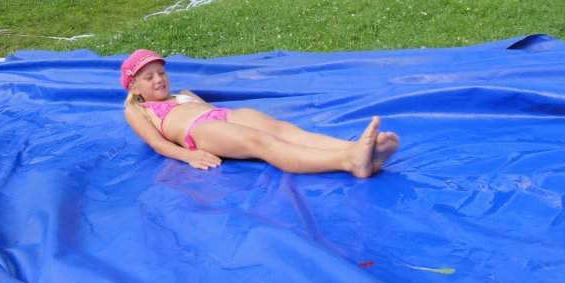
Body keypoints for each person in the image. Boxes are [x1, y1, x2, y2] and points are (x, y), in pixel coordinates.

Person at [121, 49, 399, 178]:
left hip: (221, 116)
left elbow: (210, 110)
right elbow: (157, 144)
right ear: (134, 86)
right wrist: (189, 156)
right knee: (263, 143)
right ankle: (348, 161)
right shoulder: (137, 110)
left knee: (284, 130)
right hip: (198, 132)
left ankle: (357, 150)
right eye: (149, 77)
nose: (159, 79)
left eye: (161, 72)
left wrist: (231, 123)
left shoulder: (184, 93)